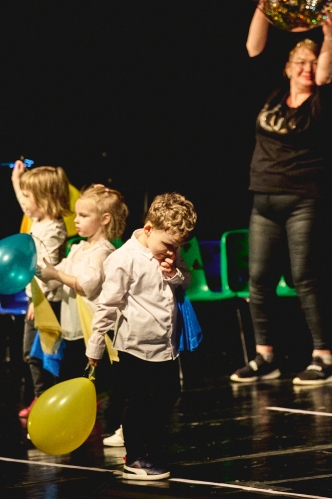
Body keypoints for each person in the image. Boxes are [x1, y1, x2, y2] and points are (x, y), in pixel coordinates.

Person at [230, 0, 332, 386]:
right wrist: (265, 2)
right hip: (263, 198)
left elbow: (327, 73)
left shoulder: (320, 101)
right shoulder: (274, 94)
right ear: (287, 67)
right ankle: (265, 357)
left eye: (311, 63)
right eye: (300, 62)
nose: (307, 68)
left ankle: (325, 358)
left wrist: (329, 34)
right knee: (258, 281)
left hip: (302, 200)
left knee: (304, 278)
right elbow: (252, 47)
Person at [86, 192, 196, 480]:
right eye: (168, 246)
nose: (172, 252)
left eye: (177, 248)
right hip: (135, 346)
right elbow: (108, 304)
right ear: (148, 229)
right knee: (138, 401)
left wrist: (174, 273)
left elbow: (185, 279)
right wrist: (96, 344)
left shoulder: (171, 254)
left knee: (168, 394)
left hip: (165, 344)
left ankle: (150, 448)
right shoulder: (123, 259)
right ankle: (134, 457)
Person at [39, 185, 129, 446]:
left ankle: (119, 428)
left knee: (110, 380)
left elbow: (87, 284)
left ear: (105, 219)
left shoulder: (103, 251)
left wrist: (56, 274)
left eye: (84, 215)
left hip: (97, 329)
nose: (76, 220)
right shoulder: (78, 248)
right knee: (71, 377)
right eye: (76, 214)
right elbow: (58, 275)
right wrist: (41, 270)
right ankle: (65, 427)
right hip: (76, 327)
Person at [10, 161, 70, 418]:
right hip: (36, 299)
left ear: (44, 199)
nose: (23, 202)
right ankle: (42, 396)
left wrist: (38, 300)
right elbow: (26, 204)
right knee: (31, 352)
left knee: (41, 353)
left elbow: (47, 270)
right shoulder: (40, 219)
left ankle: (46, 397)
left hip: (46, 302)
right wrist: (17, 181)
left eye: (28, 196)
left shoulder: (53, 229)